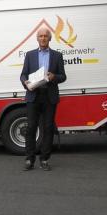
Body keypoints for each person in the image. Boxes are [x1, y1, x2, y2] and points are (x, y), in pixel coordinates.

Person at [19, 28, 66, 171]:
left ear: (50, 39)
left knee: (48, 128)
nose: (43, 38)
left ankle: (44, 159)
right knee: (31, 127)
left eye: (46, 36)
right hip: (34, 95)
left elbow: (63, 76)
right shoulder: (30, 55)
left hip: (49, 96)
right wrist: (25, 82)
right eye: (41, 36)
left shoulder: (57, 56)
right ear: (37, 39)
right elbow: (23, 75)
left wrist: (54, 77)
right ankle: (29, 159)